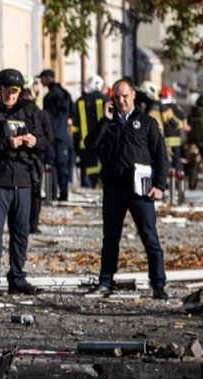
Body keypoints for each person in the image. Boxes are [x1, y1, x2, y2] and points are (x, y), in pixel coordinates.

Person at [84, 78, 169, 299]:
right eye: (117, 96)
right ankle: (105, 281)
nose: (121, 100)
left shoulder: (147, 122)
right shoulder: (108, 122)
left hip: (140, 191)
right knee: (110, 238)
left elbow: (161, 156)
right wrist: (105, 120)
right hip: (113, 189)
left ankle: (158, 285)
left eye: (125, 96)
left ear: (133, 95)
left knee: (150, 237)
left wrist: (160, 186)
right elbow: (89, 144)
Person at [0, 68, 47, 297]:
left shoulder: (29, 113)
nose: (11, 96)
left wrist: (35, 141)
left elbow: (45, 141)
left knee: (21, 232)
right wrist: (5, 143)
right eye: (7, 91)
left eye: (15, 91)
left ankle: (17, 277)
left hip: (23, 181)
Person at [39, 69, 75, 201]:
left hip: (53, 135)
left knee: (52, 164)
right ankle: (63, 193)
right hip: (62, 135)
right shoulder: (65, 94)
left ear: (48, 78)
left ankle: (52, 193)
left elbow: (48, 119)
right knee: (62, 165)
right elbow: (72, 112)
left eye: (42, 78)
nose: (41, 81)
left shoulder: (50, 97)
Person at [20, 86, 52, 234]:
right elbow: (49, 139)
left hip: (18, 159)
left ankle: (21, 224)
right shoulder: (41, 114)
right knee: (36, 192)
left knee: (19, 193)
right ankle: (33, 224)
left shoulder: (15, 114)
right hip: (36, 159)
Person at [73, 74, 107, 188]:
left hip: (85, 140)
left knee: (89, 165)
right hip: (103, 140)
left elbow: (75, 124)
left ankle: (93, 183)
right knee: (104, 163)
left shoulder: (79, 101)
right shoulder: (105, 99)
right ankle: (102, 183)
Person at [159, 86, 189, 187]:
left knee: (167, 162)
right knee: (177, 162)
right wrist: (183, 125)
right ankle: (178, 183)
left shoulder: (163, 108)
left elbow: (168, 120)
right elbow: (183, 119)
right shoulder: (177, 107)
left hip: (166, 139)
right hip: (177, 139)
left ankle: (168, 183)